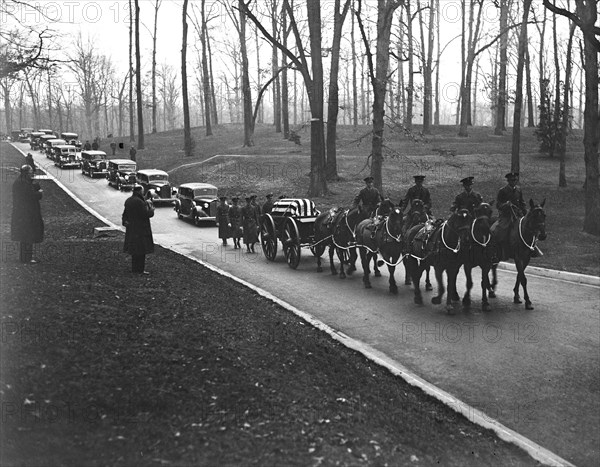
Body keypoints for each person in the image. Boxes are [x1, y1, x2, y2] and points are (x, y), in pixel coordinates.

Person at [491, 172, 541, 259]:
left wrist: (525, 213)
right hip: (506, 216)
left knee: (529, 228)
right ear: (508, 181)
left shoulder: (518, 190)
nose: (514, 182)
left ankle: (532, 247)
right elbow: (498, 205)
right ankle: (498, 252)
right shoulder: (502, 191)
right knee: (499, 231)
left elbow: (522, 203)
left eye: (515, 180)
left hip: (518, 215)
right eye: (512, 180)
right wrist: (506, 204)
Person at [11, 165, 44, 263]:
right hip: (26, 214)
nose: (32, 174)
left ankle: (26, 257)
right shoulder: (23, 183)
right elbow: (30, 196)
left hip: (23, 213)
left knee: (25, 236)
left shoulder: (21, 181)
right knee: (28, 235)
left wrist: (34, 185)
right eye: (30, 173)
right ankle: (27, 258)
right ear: (26, 173)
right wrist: (39, 193)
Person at [122, 184, 155, 274]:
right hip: (141, 229)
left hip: (132, 229)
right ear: (140, 191)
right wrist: (151, 210)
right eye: (142, 191)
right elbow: (145, 214)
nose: (143, 193)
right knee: (141, 250)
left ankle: (134, 269)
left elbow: (125, 215)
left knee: (134, 251)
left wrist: (125, 222)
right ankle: (140, 270)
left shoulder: (128, 201)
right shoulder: (140, 202)